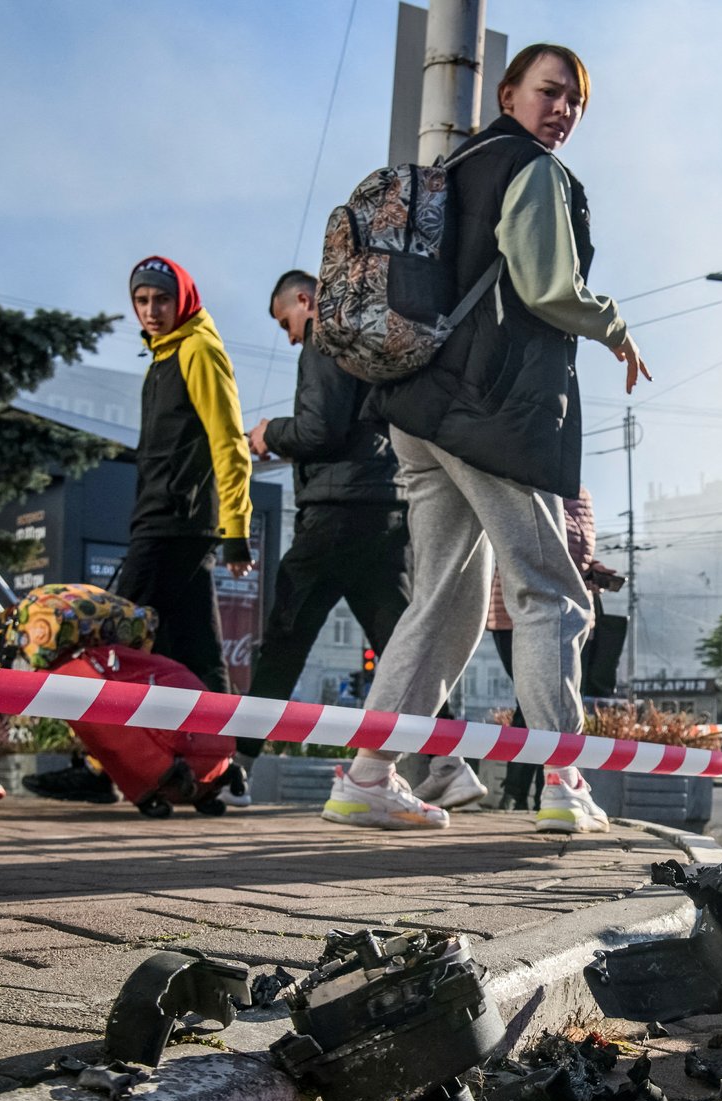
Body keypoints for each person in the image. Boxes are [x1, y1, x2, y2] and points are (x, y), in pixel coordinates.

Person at [325, 43, 650, 833]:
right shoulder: (533, 170)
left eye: (575, 99)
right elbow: (547, 289)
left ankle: (368, 772)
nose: (563, 108)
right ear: (508, 93)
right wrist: (613, 325)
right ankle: (562, 779)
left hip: (418, 408)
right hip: (487, 411)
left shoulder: (456, 168)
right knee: (550, 589)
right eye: (550, 91)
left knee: (445, 600)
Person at [217, 270, 430, 805]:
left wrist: (270, 435)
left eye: (284, 319)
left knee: (285, 638)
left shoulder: (323, 335)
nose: (288, 335)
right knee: (401, 645)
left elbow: (320, 431)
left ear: (305, 302)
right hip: (386, 506)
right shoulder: (366, 334)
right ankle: (450, 761)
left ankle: (237, 769)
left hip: (336, 511)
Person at [118, 256, 253, 696]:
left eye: (162, 300)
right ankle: (218, 761)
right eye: (142, 301)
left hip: (176, 523)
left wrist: (236, 530)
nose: (151, 311)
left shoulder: (198, 348)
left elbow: (229, 441)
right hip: (164, 519)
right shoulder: (163, 354)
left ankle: (107, 759)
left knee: (121, 635)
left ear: (182, 300)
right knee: (192, 651)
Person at [488, 488, 612, 810]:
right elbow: (558, 544)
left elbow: (563, 548)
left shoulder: (572, 488)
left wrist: (589, 569)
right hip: (529, 611)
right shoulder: (545, 479)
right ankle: (541, 791)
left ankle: (525, 793)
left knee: (537, 705)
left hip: (541, 610)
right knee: (536, 704)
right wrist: (582, 564)